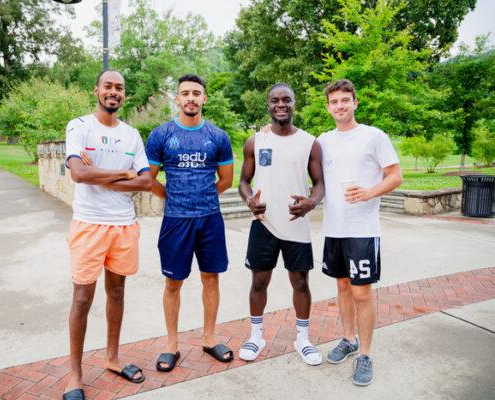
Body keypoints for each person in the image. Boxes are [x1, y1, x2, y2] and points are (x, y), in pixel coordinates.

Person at [62, 70, 152, 400]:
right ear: (96, 90)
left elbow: (145, 182)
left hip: (123, 225)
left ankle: (112, 358)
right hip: (88, 224)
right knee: (82, 299)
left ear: (124, 95)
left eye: (120, 88)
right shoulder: (80, 126)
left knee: (117, 293)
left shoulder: (132, 135)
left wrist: (98, 174)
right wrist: (123, 172)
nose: (113, 92)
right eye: (108, 87)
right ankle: (75, 375)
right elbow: (78, 173)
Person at [145, 74, 234, 372]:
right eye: (185, 93)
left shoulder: (218, 136)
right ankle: (172, 345)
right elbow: (149, 178)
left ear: (204, 98)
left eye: (197, 93)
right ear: (177, 98)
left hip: (209, 218)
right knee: (173, 282)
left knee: (211, 278)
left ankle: (209, 339)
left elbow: (226, 180)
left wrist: (203, 194)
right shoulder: (161, 135)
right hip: (176, 221)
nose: (191, 98)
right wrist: (171, 196)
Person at [318, 79, 402, 386]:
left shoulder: (373, 136)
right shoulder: (323, 140)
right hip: (334, 228)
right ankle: (348, 339)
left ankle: (365, 354)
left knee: (362, 292)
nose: (339, 105)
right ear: (327, 107)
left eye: (344, 100)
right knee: (342, 287)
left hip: (363, 229)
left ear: (355, 102)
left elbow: (395, 176)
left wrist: (369, 193)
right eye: (334, 101)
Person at [237, 83, 325, 365]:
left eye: (287, 99)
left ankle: (303, 339)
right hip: (263, 224)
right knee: (259, 281)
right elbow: (243, 182)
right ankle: (256, 336)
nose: (281, 104)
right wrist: (250, 200)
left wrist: (311, 202)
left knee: (300, 282)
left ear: (294, 102)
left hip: (296, 224)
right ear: (268, 104)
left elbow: (320, 184)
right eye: (275, 100)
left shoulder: (310, 142)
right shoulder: (255, 141)